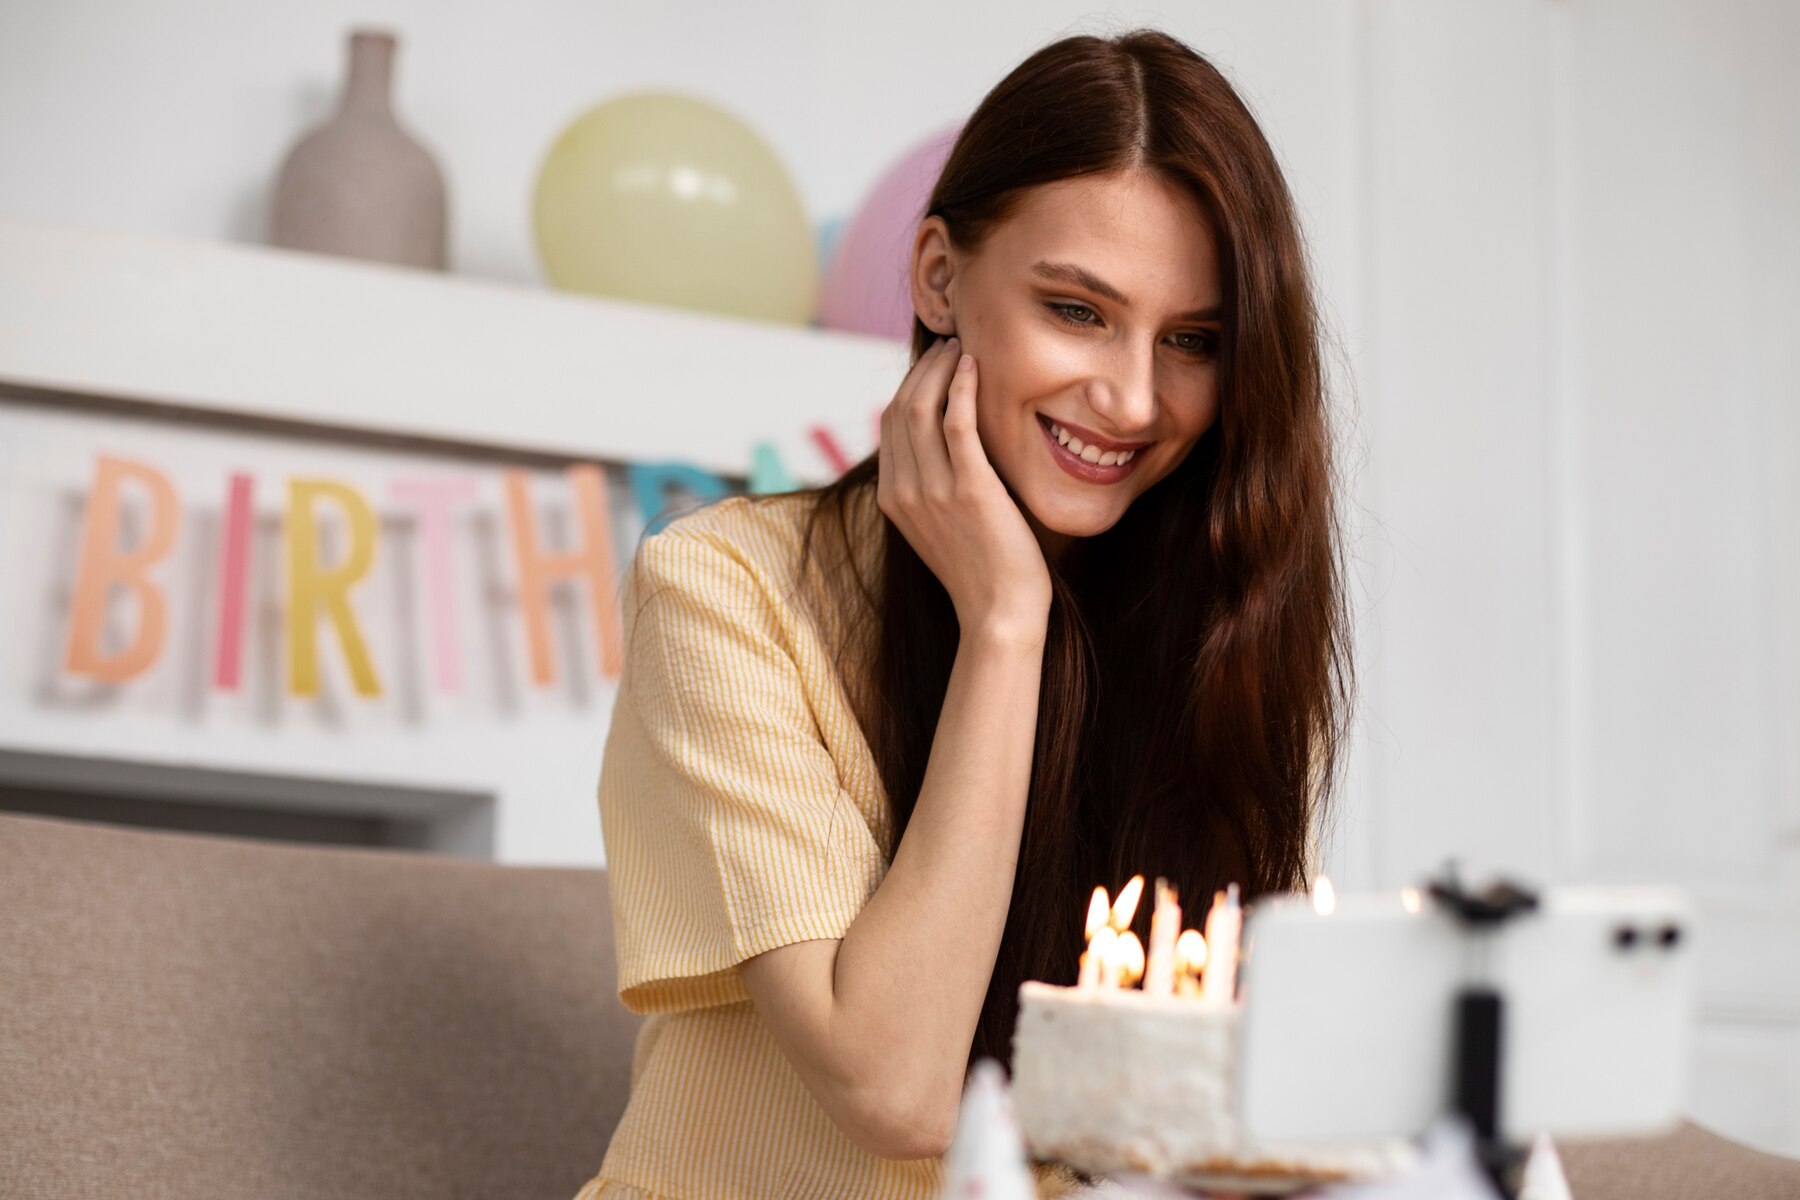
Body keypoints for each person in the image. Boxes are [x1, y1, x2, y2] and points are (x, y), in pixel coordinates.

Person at [573, 25, 1352, 1200]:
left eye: (1192, 341)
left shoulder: (1218, 631)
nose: (1134, 398)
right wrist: (1005, 622)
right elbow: (896, 1089)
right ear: (939, 275)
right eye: (1078, 311)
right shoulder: (723, 592)